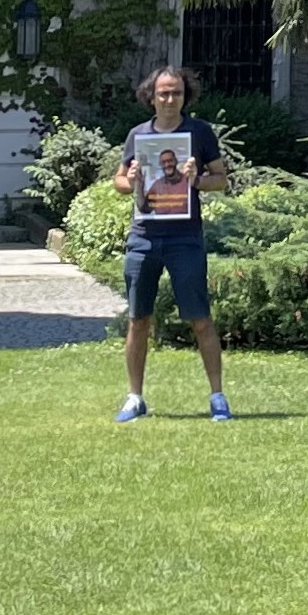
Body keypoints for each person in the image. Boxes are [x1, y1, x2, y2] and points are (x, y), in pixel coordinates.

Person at [111, 64, 233, 423]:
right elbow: (118, 181)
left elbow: (221, 180)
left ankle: (218, 397)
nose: (169, 99)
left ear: (185, 96)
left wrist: (197, 181)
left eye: (176, 93)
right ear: (151, 96)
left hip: (185, 238)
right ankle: (134, 398)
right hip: (144, 237)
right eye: (163, 93)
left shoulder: (199, 132)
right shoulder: (138, 135)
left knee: (200, 319)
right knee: (138, 319)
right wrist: (129, 178)